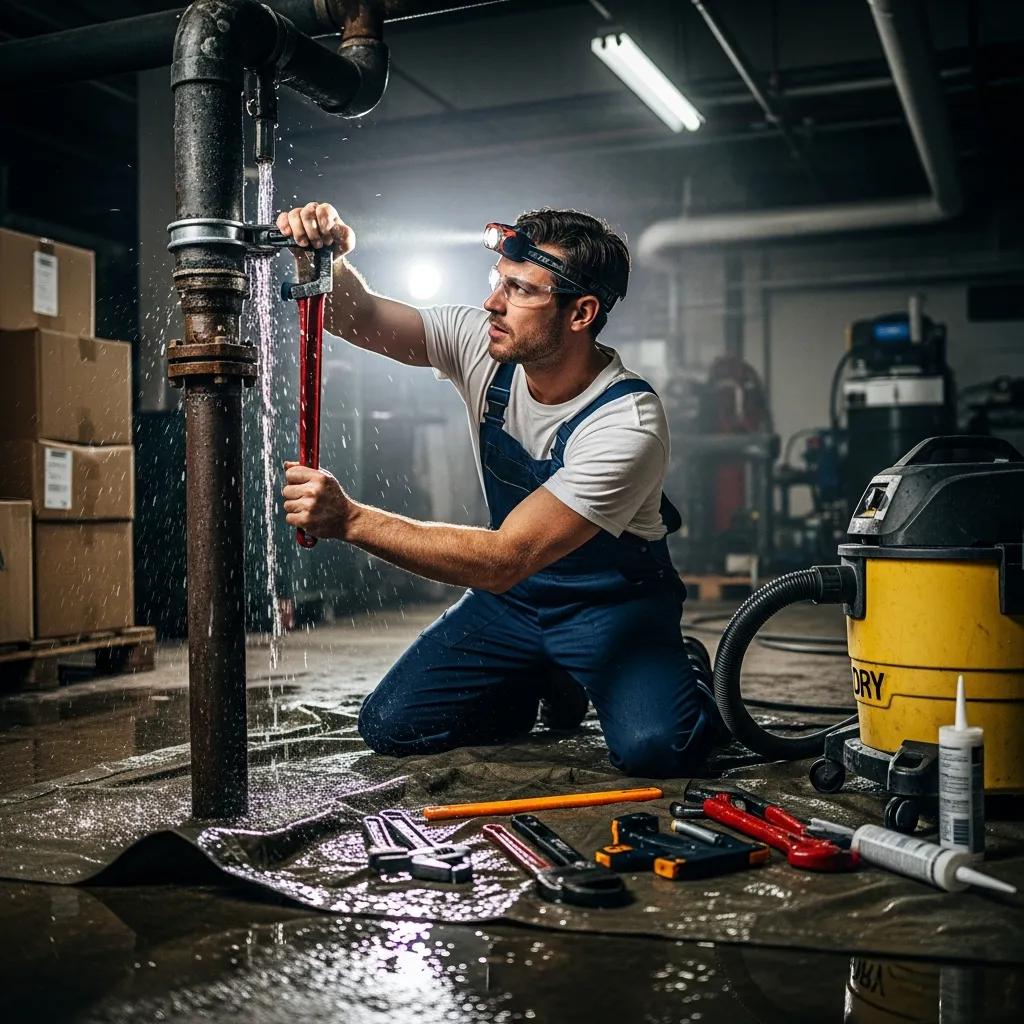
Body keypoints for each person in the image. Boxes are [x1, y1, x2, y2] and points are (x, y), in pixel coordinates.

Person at [278, 201, 720, 777]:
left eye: (520, 290)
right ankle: (540, 674)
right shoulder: (483, 344)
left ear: (581, 312)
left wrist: (352, 520)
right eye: (498, 283)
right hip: (517, 603)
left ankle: (678, 670)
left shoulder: (625, 423)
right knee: (392, 726)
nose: (493, 303)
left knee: (659, 750)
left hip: (610, 609)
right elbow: (352, 316)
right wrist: (324, 257)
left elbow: (504, 558)